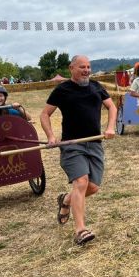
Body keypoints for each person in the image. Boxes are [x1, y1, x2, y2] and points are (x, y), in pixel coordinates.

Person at [40, 55, 117, 246]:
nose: (87, 70)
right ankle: (80, 230)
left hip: (94, 142)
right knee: (81, 183)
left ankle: (66, 200)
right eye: (82, 66)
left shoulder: (97, 87)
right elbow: (44, 114)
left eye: (89, 66)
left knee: (93, 187)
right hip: (72, 144)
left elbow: (112, 107)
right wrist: (51, 136)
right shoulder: (62, 89)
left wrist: (110, 127)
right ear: (71, 68)